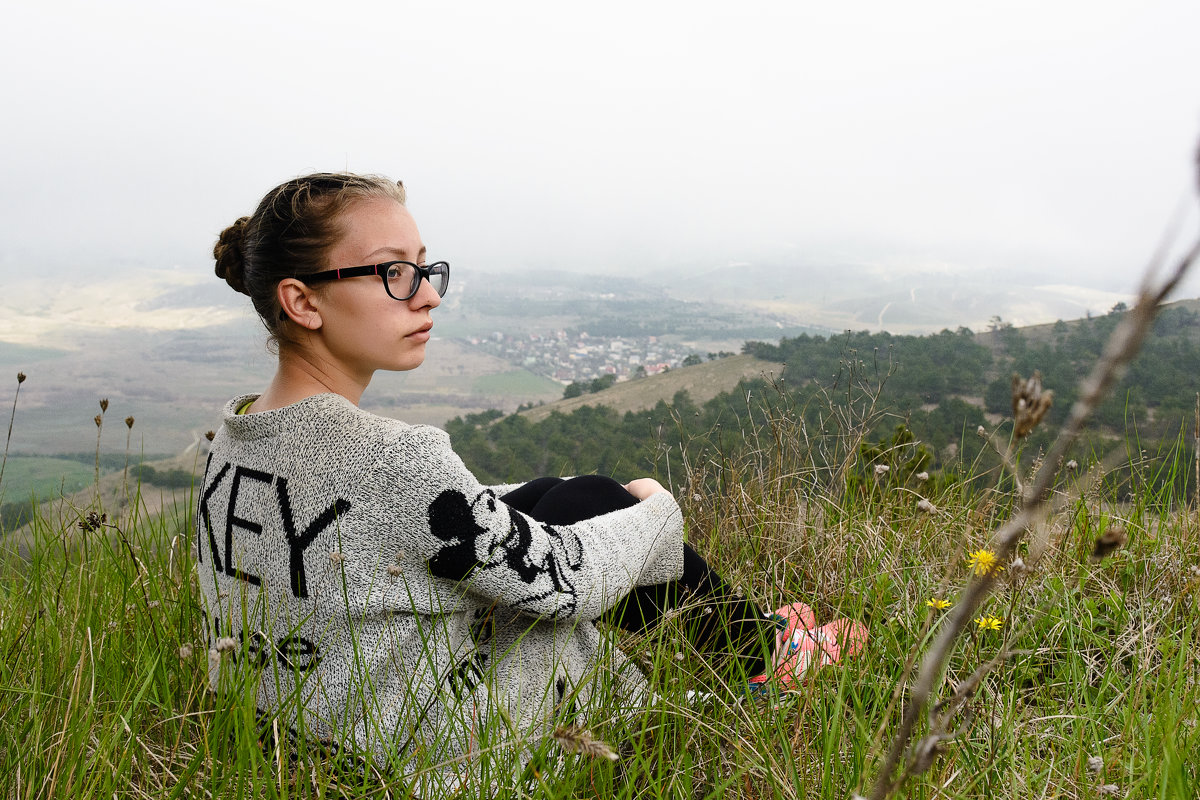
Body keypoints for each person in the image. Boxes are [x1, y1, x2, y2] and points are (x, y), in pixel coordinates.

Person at [197, 172, 864, 775]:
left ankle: (756, 643)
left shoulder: (234, 438)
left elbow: (404, 520)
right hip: (432, 748)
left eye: (428, 270)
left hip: (297, 730)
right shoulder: (394, 457)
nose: (427, 295)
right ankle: (767, 657)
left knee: (562, 496)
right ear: (303, 303)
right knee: (606, 505)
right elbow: (566, 586)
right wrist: (657, 513)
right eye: (394, 272)